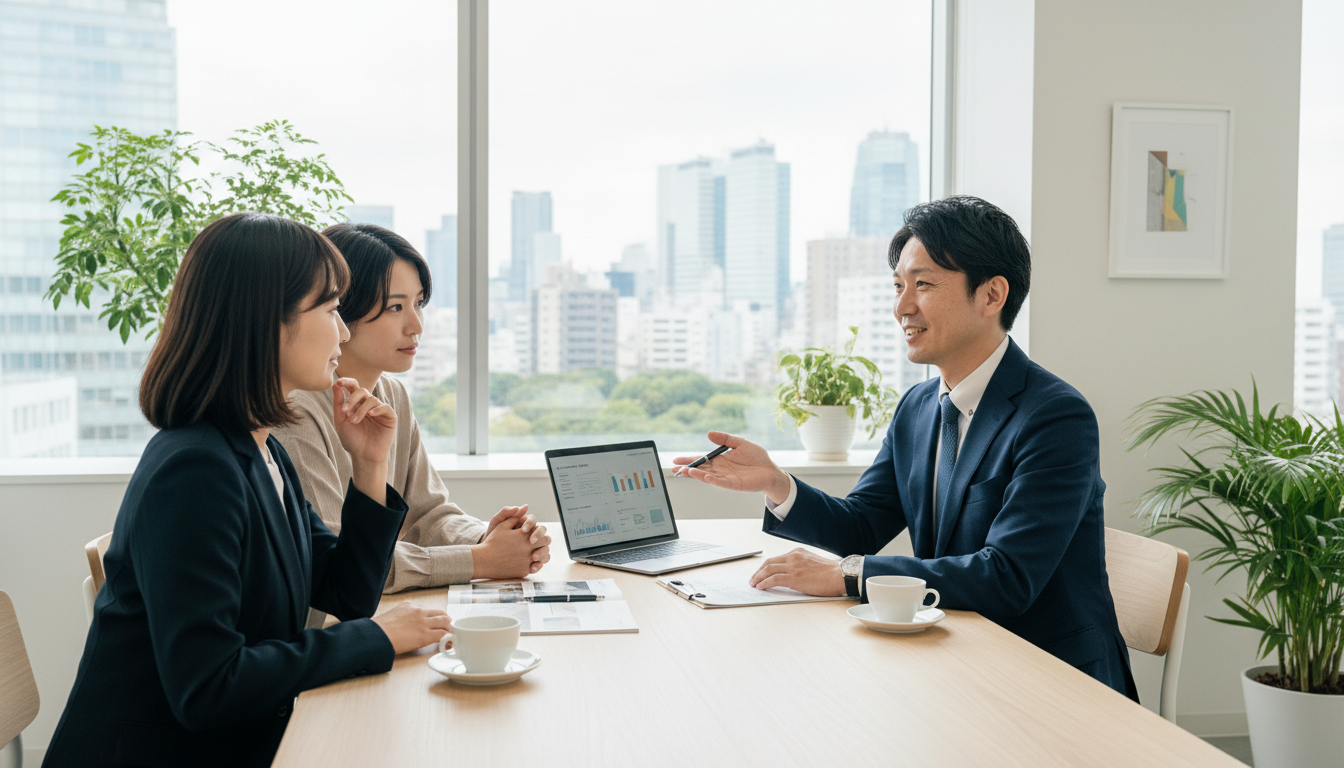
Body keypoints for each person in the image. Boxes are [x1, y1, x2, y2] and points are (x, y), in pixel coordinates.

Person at [674, 196, 1137, 700]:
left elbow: (1006, 576)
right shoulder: (918, 407)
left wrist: (847, 576)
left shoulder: (1055, 416)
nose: (902, 307)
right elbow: (861, 525)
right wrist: (777, 484)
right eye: (898, 286)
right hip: (954, 658)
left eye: (923, 284)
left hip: (1050, 679)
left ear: (992, 295)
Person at [43, 213, 452, 767]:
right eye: (331, 310)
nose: (344, 332)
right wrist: (377, 638)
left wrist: (369, 464)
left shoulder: (261, 449)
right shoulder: (193, 471)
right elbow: (208, 686)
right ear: (267, 321)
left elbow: (346, 593)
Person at [273, 223, 550, 607]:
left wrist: (491, 537)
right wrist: (481, 559)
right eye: (395, 307)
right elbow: (342, 561)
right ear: (342, 312)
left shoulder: (392, 395)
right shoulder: (296, 411)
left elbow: (427, 515)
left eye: (418, 303)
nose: (417, 326)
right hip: (329, 627)